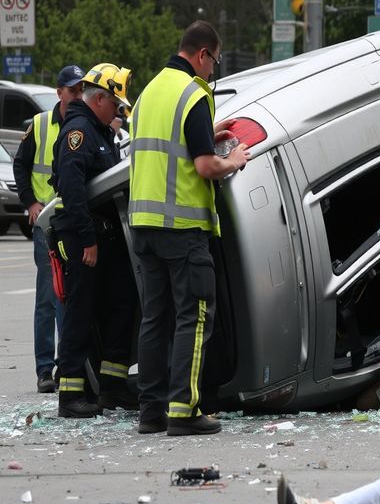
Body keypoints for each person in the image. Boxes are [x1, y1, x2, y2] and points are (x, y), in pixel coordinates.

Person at [128, 21, 250, 436]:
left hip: (144, 224)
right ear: (202, 55)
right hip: (182, 226)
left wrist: (204, 133)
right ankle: (184, 409)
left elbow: (167, 146)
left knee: (154, 319)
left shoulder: (148, 93)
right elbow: (205, 165)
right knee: (193, 317)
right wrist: (233, 160)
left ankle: (151, 412)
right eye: (214, 62)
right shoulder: (193, 93)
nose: (213, 70)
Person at [50, 63, 136, 418]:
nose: (117, 112)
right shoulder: (79, 131)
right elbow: (71, 188)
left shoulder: (100, 131)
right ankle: (70, 395)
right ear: (99, 99)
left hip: (104, 237)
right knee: (81, 311)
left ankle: (112, 386)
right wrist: (87, 239)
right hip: (83, 238)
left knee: (121, 303)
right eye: (114, 105)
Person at [12, 65, 84, 394]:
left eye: (81, 90)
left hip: (73, 222)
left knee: (70, 297)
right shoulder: (41, 124)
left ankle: (67, 366)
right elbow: (21, 165)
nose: (77, 95)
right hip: (47, 225)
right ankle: (45, 369)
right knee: (48, 297)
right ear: (59, 93)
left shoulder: (82, 124)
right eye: (72, 90)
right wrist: (30, 203)